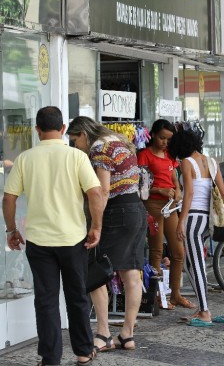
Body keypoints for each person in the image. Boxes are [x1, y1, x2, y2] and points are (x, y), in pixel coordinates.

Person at [2, 106, 103, 366]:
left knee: (45, 301)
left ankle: (50, 358)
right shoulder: (77, 157)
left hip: (39, 241)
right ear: (63, 130)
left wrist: (11, 229)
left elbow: (9, 198)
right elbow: (95, 193)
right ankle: (83, 351)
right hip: (73, 240)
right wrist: (96, 227)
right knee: (77, 297)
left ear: (37, 130)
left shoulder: (25, 159)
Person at [67, 117, 148, 352]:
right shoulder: (119, 140)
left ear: (83, 133)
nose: (75, 146)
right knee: (131, 274)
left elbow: (102, 191)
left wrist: (96, 226)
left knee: (95, 270)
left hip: (116, 211)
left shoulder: (98, 148)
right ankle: (127, 334)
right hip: (136, 210)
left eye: (75, 140)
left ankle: (103, 333)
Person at [168, 128, 224, 325]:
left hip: (193, 217)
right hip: (206, 218)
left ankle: (204, 311)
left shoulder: (187, 162)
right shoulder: (211, 161)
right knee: (189, 263)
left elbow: (189, 194)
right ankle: (202, 307)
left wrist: (181, 220)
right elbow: (223, 193)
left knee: (196, 264)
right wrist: (223, 217)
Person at [137, 119, 194, 310]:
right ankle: (157, 296)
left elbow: (173, 177)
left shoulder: (170, 155)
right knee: (156, 252)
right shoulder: (144, 155)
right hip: (152, 204)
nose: (165, 143)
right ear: (152, 134)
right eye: (162, 138)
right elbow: (141, 186)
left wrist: (177, 189)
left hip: (170, 206)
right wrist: (160, 190)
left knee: (178, 252)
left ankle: (175, 294)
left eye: (168, 140)